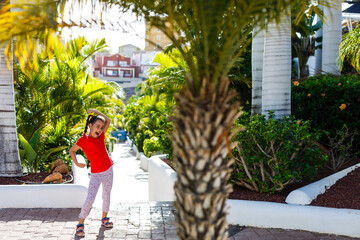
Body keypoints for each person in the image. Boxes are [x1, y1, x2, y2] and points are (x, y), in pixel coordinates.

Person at [69, 109, 114, 237]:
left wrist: (96, 111)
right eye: (97, 126)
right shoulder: (83, 140)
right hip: (96, 174)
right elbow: (72, 151)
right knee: (90, 198)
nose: (99, 130)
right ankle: (80, 224)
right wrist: (77, 163)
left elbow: (108, 121)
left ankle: (104, 218)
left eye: (101, 127)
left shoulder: (101, 137)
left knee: (106, 196)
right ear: (90, 125)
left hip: (108, 171)